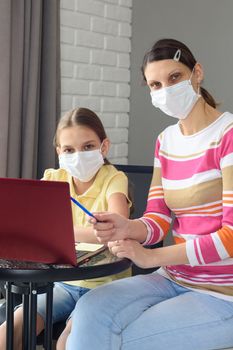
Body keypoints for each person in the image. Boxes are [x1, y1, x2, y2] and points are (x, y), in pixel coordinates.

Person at [65, 39, 233, 350]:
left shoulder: (228, 135)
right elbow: (158, 216)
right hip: (173, 278)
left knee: (119, 342)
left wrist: (151, 256)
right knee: (90, 310)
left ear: (197, 73)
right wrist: (126, 227)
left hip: (223, 294)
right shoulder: (166, 141)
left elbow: (231, 237)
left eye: (174, 78)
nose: (165, 89)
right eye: (155, 84)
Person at [0, 107, 132, 350]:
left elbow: (116, 228)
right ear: (59, 152)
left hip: (106, 285)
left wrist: (58, 229)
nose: (78, 155)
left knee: (67, 343)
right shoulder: (53, 177)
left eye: (88, 147)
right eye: (69, 150)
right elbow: (27, 225)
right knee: (9, 332)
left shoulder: (114, 179)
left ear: (104, 147)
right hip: (62, 283)